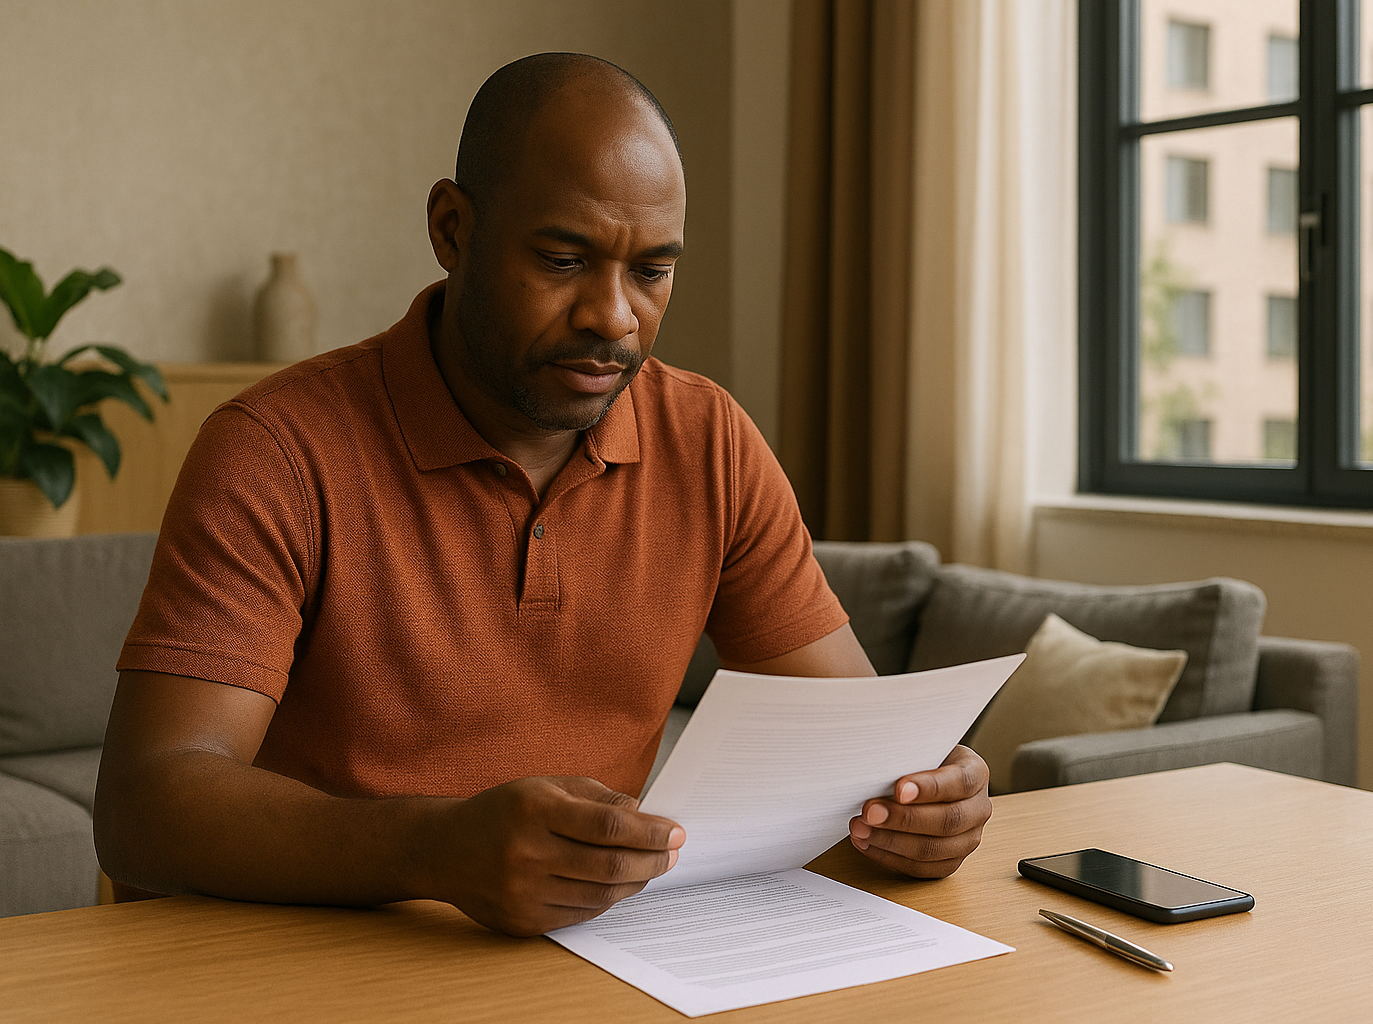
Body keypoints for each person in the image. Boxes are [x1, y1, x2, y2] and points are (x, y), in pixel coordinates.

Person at [94, 53, 991, 938]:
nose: (614, 316)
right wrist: (433, 848)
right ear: (453, 229)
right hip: (298, 959)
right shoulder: (277, 450)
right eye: (564, 259)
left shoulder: (708, 441)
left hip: (586, 959)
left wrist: (916, 804)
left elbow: (850, 749)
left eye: (652, 270)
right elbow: (147, 805)